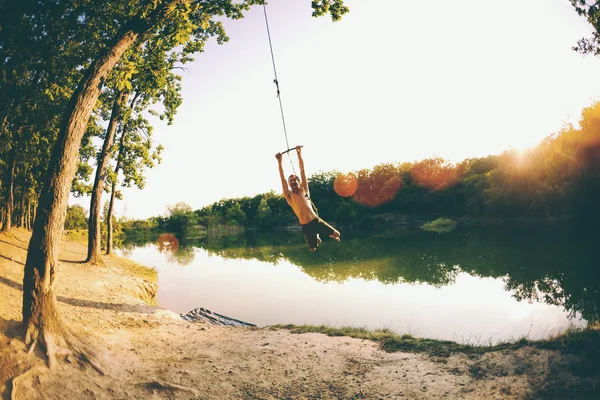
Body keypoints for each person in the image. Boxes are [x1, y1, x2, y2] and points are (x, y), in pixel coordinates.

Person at [276, 146, 340, 251]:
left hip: (316, 220)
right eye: (290, 181)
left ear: (298, 182)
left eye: (294, 180)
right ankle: (316, 237)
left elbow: (302, 171)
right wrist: (280, 162)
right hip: (306, 225)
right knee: (313, 249)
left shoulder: (304, 190)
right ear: (289, 184)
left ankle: (321, 234)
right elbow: (282, 179)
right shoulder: (289, 196)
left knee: (337, 234)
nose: (292, 182)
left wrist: (299, 154)